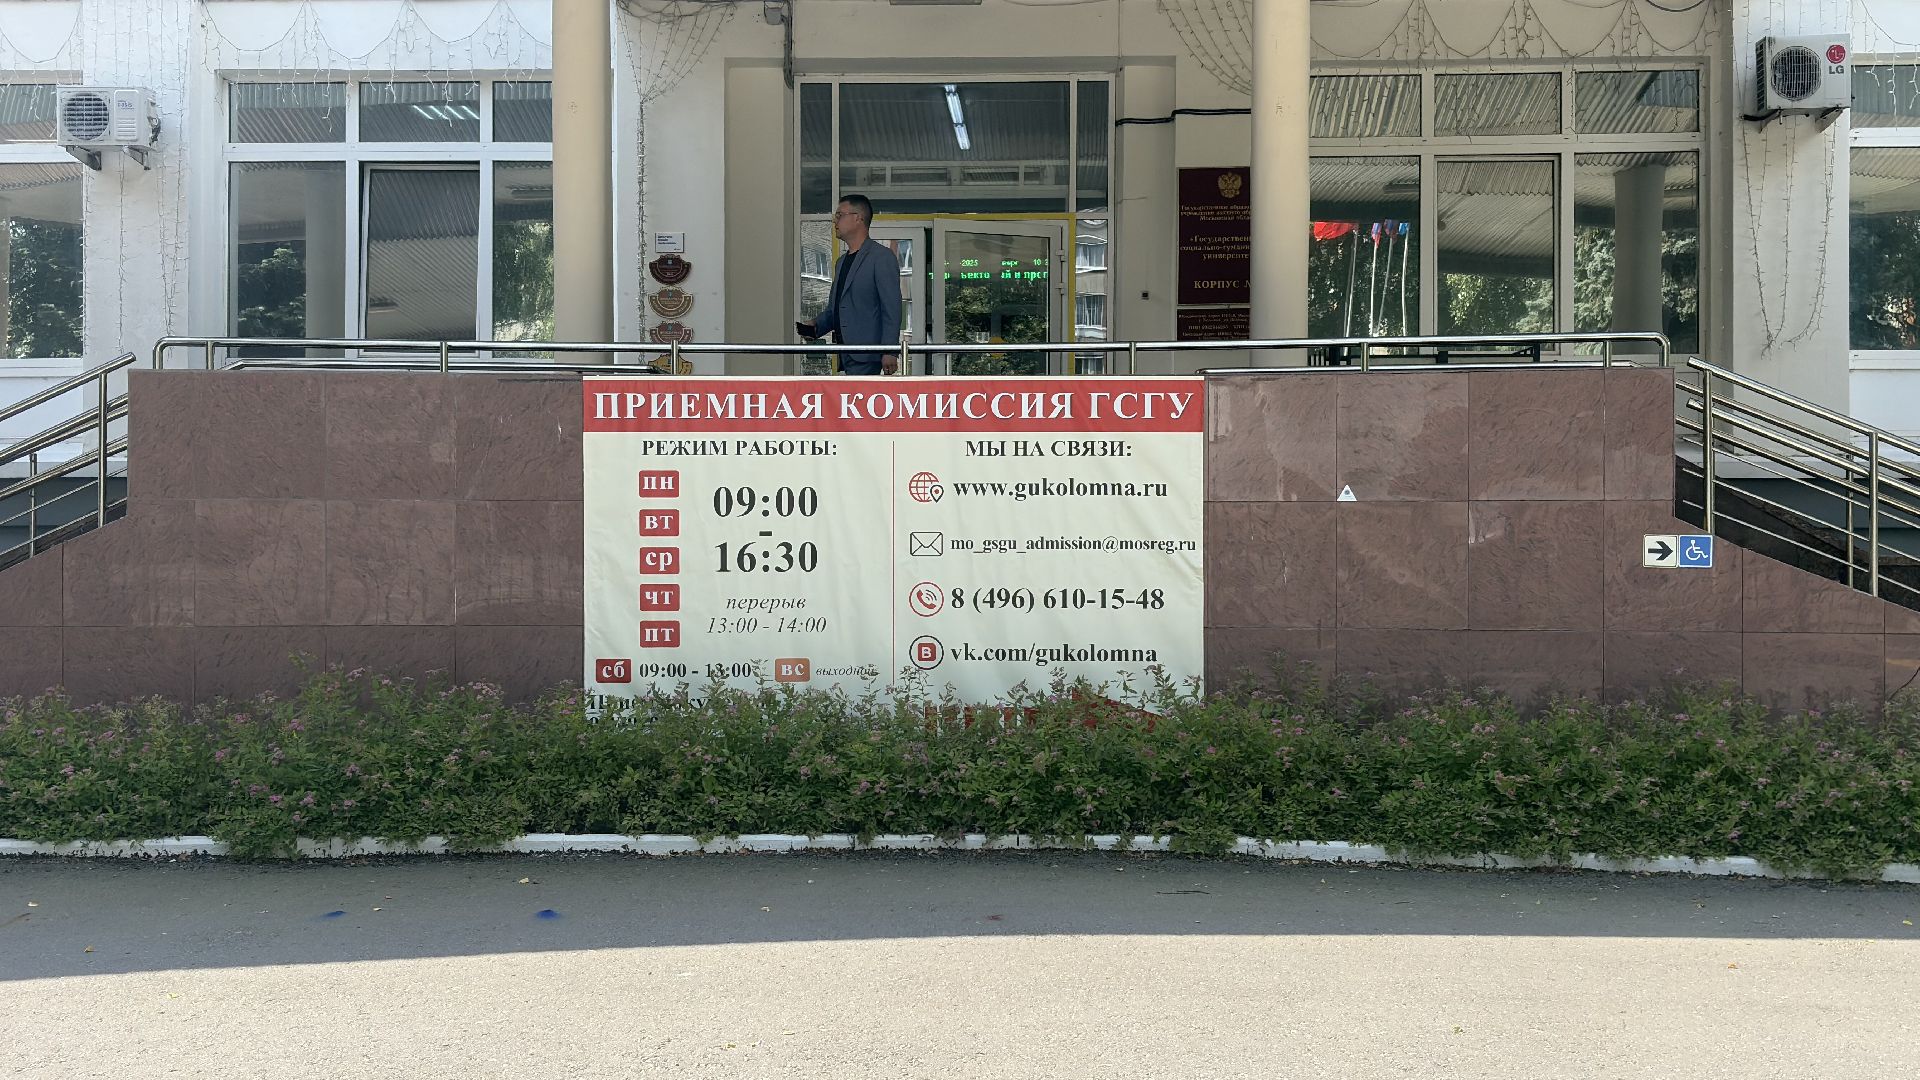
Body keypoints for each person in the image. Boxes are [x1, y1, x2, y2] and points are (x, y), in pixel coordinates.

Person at [797, 194, 902, 375]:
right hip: (845, 355)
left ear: (858, 218)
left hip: (869, 355)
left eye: (840, 215)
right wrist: (815, 326)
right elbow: (835, 310)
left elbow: (891, 308)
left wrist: (890, 351)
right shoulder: (841, 262)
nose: (835, 221)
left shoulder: (881, 257)